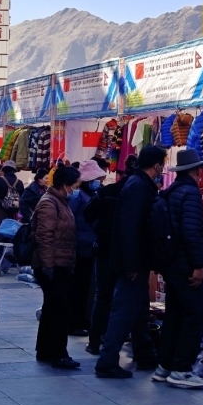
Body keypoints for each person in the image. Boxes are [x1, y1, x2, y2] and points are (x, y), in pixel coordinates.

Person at [95, 145, 167, 379]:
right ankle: (107, 361)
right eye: (162, 164)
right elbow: (129, 229)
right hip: (132, 263)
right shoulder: (137, 187)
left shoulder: (140, 184)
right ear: (156, 165)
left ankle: (145, 354)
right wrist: (131, 265)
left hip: (136, 261)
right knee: (124, 311)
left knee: (139, 310)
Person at [153, 149, 203, 389]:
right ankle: (182, 369)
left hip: (171, 264)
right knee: (197, 316)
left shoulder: (171, 192)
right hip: (185, 265)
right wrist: (198, 264)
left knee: (174, 316)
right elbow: (191, 232)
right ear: (196, 171)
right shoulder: (191, 193)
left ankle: (165, 366)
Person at [84, 154, 138, 355]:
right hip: (125, 252)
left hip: (104, 248)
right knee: (122, 298)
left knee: (102, 296)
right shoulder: (137, 192)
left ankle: (94, 341)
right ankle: (110, 340)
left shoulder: (107, 191)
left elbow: (88, 213)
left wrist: (100, 229)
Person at [32, 164, 82, 369]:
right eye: (75, 186)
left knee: (52, 308)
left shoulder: (60, 202)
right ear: (66, 185)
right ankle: (59, 354)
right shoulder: (49, 203)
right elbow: (44, 236)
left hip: (60, 263)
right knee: (59, 309)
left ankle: (45, 350)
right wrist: (48, 266)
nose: (76, 190)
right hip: (52, 265)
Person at [67, 160, 106, 336]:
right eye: (96, 179)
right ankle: (75, 322)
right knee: (79, 287)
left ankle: (83, 320)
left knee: (87, 287)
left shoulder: (93, 195)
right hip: (79, 248)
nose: (99, 182)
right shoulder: (77, 197)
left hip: (90, 247)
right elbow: (70, 221)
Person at [0, 160, 24, 232]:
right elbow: (22, 197)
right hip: (13, 212)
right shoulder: (19, 183)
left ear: (3, 170)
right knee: (11, 232)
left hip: (0, 211)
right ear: (14, 170)